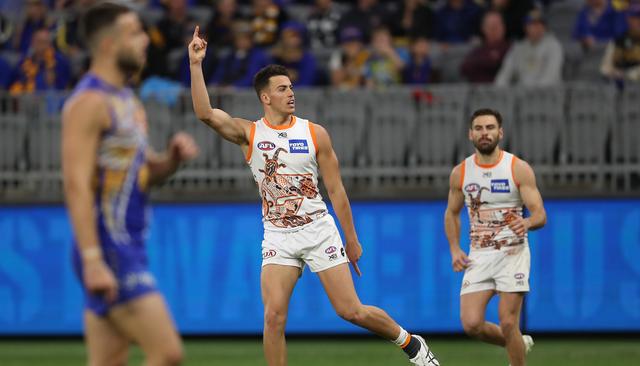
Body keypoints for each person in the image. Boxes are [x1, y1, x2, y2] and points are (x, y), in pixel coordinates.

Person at [188, 26, 440, 366]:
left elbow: (336, 190)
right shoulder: (250, 133)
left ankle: (410, 342)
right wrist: (195, 64)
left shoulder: (314, 133)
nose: (290, 93)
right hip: (278, 234)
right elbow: (205, 113)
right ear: (266, 97)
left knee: (351, 311)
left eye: (291, 87)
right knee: (273, 317)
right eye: (282, 89)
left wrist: (351, 240)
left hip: (319, 229)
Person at [62, 3, 198, 365]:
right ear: (109, 44)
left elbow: (140, 174)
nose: (145, 42)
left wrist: (170, 160)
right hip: (108, 247)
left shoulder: (127, 102)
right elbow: (76, 184)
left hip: (127, 243)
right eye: (136, 32)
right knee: (168, 354)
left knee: (108, 361)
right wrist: (92, 258)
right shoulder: (88, 103)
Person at [444, 108, 547, 366]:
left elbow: (540, 215)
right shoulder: (461, 172)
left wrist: (528, 222)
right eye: (478, 128)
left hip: (513, 253)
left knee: (508, 321)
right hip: (479, 255)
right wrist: (455, 249)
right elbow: (452, 214)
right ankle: (517, 342)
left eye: (490, 127)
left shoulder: (517, 168)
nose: (484, 133)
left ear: (500, 132)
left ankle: (516, 354)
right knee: (471, 324)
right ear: (470, 134)